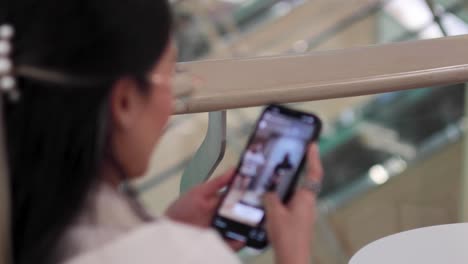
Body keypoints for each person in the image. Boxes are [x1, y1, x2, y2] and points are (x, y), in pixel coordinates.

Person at [2, 1, 324, 264]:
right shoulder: (181, 254)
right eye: (169, 75)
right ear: (125, 102)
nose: (176, 97)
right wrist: (293, 254)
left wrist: (165, 230)